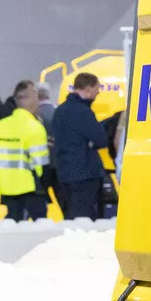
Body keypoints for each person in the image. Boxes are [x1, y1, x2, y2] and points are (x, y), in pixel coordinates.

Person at [49, 73, 111, 221]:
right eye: (97, 89)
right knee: (83, 220)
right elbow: (101, 139)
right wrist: (90, 142)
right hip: (84, 174)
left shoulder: (60, 111)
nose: (98, 93)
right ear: (88, 89)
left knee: (71, 217)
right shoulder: (83, 112)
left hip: (63, 173)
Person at [0, 81, 52, 221]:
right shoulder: (34, 127)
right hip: (30, 187)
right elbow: (40, 165)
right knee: (39, 224)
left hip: (4, 185)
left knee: (12, 223)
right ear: (31, 100)